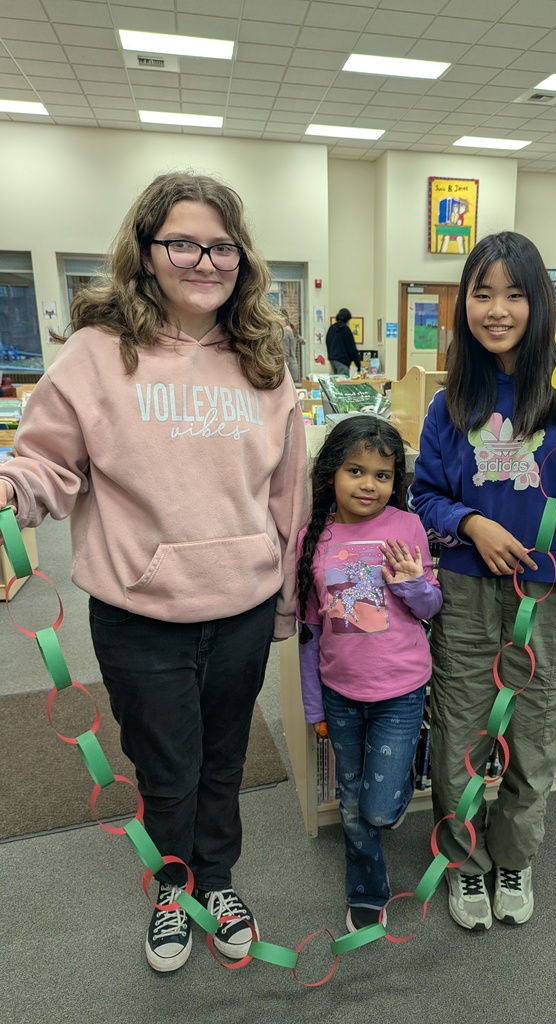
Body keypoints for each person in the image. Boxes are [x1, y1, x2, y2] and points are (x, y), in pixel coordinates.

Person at [0, 172, 308, 972]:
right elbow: (46, 466)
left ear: (241, 258)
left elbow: (289, 500)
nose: (204, 261)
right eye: (183, 243)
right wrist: (12, 488)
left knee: (224, 759)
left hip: (240, 605)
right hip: (139, 614)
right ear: (145, 251)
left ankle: (220, 880)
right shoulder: (98, 356)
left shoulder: (265, 362)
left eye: (221, 246)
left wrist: (285, 603)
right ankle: (175, 888)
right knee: (166, 767)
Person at [408, 231, 556, 932]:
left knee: (535, 733)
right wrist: (471, 523)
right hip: (470, 592)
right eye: (482, 293)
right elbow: (422, 497)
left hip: (550, 592)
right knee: (460, 734)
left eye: (514, 293)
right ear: (464, 307)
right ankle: (466, 864)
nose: (498, 309)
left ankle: (513, 856)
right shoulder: (450, 404)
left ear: (541, 305)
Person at [296, 416, 442, 932]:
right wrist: (314, 705)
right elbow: (309, 630)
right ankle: (365, 889)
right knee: (352, 804)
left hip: (400, 691)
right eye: (356, 470)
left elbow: (430, 606)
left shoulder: (406, 526)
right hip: (339, 693)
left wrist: (410, 584)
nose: (368, 484)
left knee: (378, 807)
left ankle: (394, 798)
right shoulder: (314, 535)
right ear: (331, 472)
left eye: (382, 475)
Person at [325, 307, 361, 376]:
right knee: (343, 384)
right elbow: (352, 348)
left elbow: (328, 342)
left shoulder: (331, 328)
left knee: (336, 383)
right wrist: (358, 365)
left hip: (333, 360)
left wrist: (331, 356)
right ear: (347, 319)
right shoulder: (345, 330)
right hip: (342, 361)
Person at [280, 306, 301, 383]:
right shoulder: (291, 328)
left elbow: (285, 354)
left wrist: (284, 372)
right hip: (293, 366)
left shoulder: (285, 332)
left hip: (288, 368)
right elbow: (300, 339)